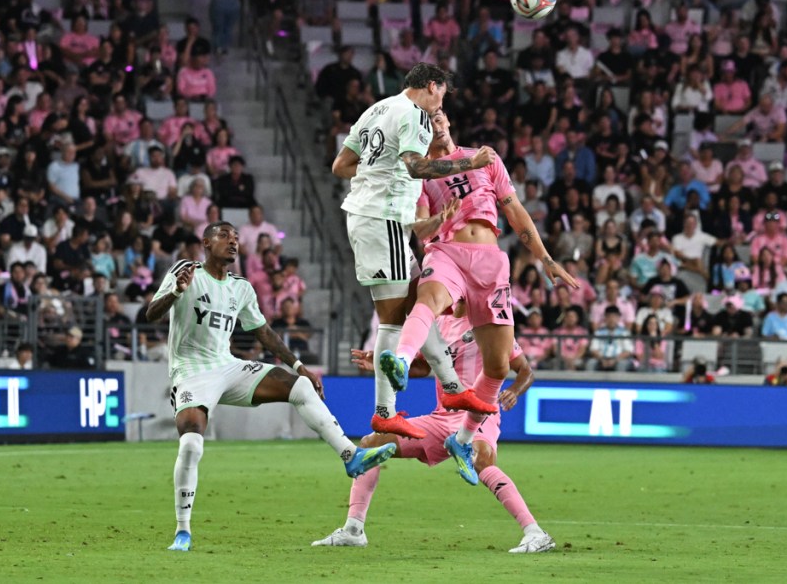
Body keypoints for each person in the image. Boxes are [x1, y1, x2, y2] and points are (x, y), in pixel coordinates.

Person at [145, 221, 396, 552]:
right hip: (191, 371)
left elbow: (263, 331)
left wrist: (298, 366)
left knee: (300, 387)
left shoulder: (241, 288)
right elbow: (151, 313)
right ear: (206, 242)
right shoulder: (186, 271)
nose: (233, 243)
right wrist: (176, 291)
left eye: (236, 238)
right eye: (224, 236)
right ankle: (183, 531)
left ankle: (350, 455)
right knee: (191, 444)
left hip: (227, 365)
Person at [383, 106, 578, 483]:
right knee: (428, 302)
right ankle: (401, 360)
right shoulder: (422, 172)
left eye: (439, 116)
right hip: (447, 253)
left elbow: (516, 212)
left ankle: (464, 439)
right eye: (428, 120)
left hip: (490, 260)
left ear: (449, 121)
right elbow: (420, 229)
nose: (435, 123)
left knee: (499, 367)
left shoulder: (486, 159)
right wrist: (437, 221)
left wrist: (546, 260)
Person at [331, 63, 498, 439]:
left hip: (378, 221)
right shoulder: (414, 116)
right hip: (382, 219)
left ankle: (453, 389)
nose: (441, 104)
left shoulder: (377, 109)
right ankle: (384, 412)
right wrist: (469, 162)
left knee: (417, 307)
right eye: (442, 94)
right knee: (394, 319)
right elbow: (415, 166)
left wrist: (376, 172)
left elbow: (341, 165)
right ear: (433, 86)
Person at [312, 310, 554, 554]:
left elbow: (525, 370)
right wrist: (377, 365)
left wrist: (513, 390)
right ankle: (354, 530)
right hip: (441, 418)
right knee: (369, 444)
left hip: (478, 413)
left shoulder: (487, 323)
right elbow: (420, 367)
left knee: (481, 460)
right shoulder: (438, 323)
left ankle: (535, 533)